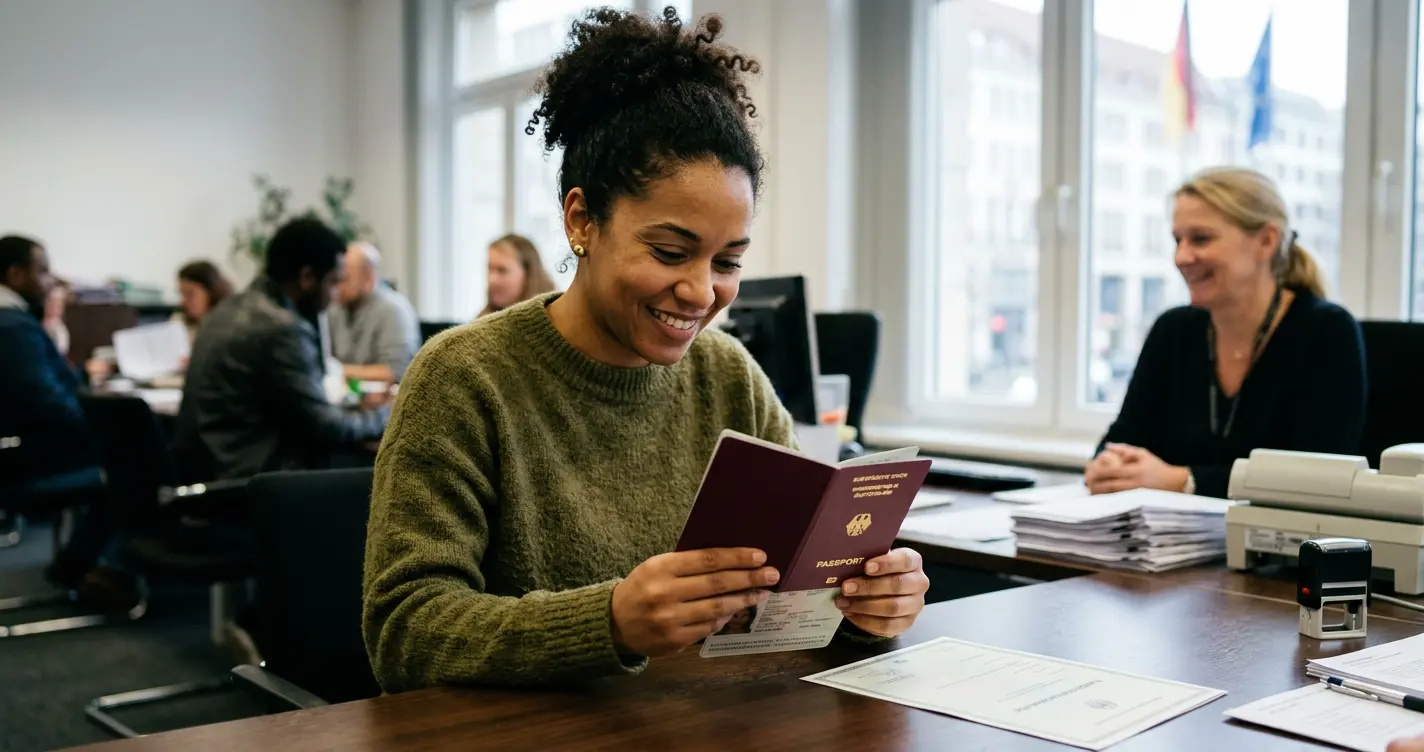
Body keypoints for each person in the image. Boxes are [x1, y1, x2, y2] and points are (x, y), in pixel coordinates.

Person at [362, 7, 930, 694]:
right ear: (581, 220)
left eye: (728, 260)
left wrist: (866, 606)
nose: (701, 291)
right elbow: (405, 631)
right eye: (670, 251)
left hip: (689, 725)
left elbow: (796, 587)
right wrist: (609, 622)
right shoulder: (466, 377)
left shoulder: (729, 378)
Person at [1086, 167, 1367, 499]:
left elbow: (1318, 481)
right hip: (1162, 543)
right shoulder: (1172, 330)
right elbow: (1122, 439)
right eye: (1178, 240)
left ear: (1266, 241)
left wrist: (1184, 480)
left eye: (1201, 239)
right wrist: (1109, 467)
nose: (1181, 257)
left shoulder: (1325, 332)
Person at [173, 218, 388, 482]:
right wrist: (385, 414)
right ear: (308, 277)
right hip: (248, 487)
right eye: (333, 282)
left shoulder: (226, 310)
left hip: (209, 476)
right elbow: (326, 427)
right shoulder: (280, 328)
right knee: (379, 477)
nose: (334, 296)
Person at [0, 235, 140, 610]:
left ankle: (81, 560)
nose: (51, 281)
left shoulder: (13, 323)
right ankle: (94, 565)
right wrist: (97, 424)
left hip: (20, 449)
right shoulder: (11, 327)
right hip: (24, 460)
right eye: (42, 270)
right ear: (15, 274)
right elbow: (47, 406)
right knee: (136, 459)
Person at [327, 242, 420, 385]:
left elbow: (396, 372)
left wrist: (338, 371)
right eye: (335, 277)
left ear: (369, 278)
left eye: (344, 278)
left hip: (383, 404)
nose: (337, 286)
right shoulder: (334, 309)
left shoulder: (394, 310)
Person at [478, 233, 556, 317]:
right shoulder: (480, 321)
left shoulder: (553, 317)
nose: (492, 279)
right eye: (490, 269)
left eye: (502, 270)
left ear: (528, 272)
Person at [174, 260, 234, 344]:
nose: (183, 302)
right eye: (182, 294)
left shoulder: (232, 328)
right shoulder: (179, 322)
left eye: (190, 294)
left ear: (211, 293)